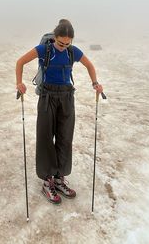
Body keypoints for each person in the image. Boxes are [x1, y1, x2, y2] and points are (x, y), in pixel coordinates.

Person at [16, 19, 103, 205]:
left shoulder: (73, 52)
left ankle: (59, 177)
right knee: (46, 136)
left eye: (67, 43)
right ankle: (47, 181)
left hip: (66, 97)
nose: (63, 47)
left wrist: (95, 83)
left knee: (65, 137)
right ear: (54, 38)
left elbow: (89, 65)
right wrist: (19, 83)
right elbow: (20, 62)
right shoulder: (44, 50)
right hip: (47, 96)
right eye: (60, 43)